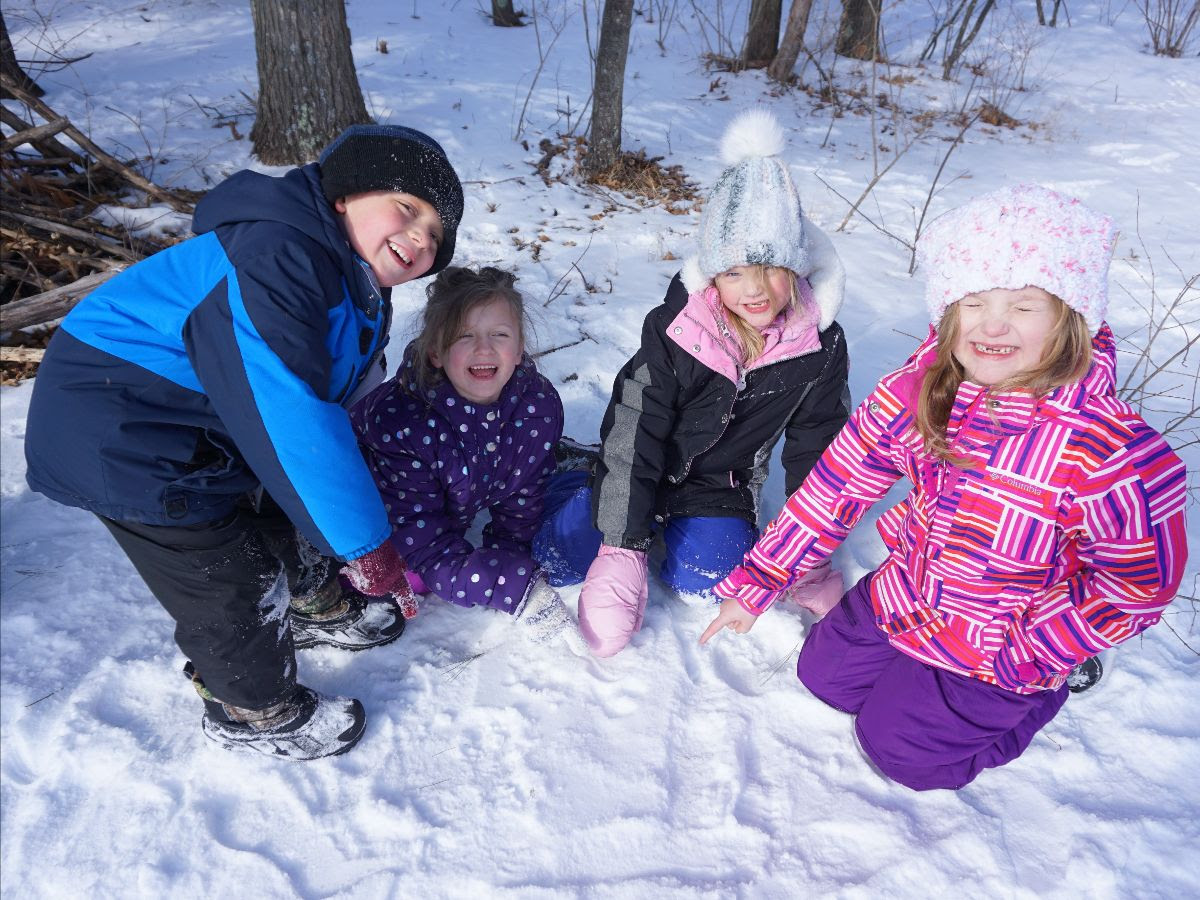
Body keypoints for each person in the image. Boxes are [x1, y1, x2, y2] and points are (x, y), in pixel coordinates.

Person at [701, 183, 1189, 790]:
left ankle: (1049, 691)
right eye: (974, 303)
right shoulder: (920, 395)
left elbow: (1138, 582)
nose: (994, 325)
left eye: (1025, 306)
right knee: (824, 679)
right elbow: (834, 488)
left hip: (1009, 636)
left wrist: (1042, 646)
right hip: (911, 591)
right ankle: (912, 673)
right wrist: (759, 580)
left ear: (1071, 318)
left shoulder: (1108, 449)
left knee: (901, 755)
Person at [23, 124, 464, 759]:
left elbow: (344, 399)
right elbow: (291, 415)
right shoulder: (278, 256)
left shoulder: (356, 284)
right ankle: (254, 708)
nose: (421, 236)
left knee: (276, 499)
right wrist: (367, 543)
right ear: (346, 194)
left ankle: (313, 604)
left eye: (435, 235)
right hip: (118, 428)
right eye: (408, 208)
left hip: (197, 418)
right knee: (230, 576)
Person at [533, 109, 852, 657]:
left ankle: (663, 529)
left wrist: (807, 553)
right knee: (558, 555)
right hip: (641, 464)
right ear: (712, 273)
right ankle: (576, 476)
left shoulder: (817, 345)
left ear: (797, 268)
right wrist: (620, 547)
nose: (754, 290)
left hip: (717, 484)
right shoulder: (679, 329)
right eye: (733, 271)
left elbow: (818, 447)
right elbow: (637, 426)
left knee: (707, 580)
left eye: (771, 267)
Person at [352, 266, 580, 647]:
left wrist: (510, 550)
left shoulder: (536, 407)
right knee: (405, 583)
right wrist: (511, 584)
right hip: (378, 520)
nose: (484, 348)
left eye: (500, 335)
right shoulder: (405, 424)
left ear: (519, 348)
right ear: (436, 352)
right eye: (465, 336)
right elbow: (423, 539)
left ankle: (582, 488)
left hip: (455, 502)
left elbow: (522, 493)